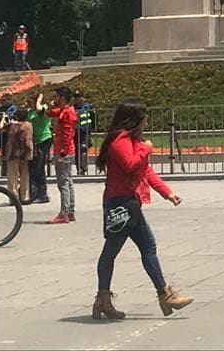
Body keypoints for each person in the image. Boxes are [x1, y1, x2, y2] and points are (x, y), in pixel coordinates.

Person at [93, 99, 192, 320]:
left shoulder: (131, 140)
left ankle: (103, 299)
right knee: (146, 246)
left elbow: (146, 171)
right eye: (144, 118)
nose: (147, 122)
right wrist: (146, 149)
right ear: (135, 119)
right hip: (123, 203)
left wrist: (167, 192)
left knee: (113, 251)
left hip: (126, 201)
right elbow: (130, 164)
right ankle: (164, 295)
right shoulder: (120, 141)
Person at [47, 86, 78, 223]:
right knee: (68, 181)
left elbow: (68, 133)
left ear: (62, 97)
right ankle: (70, 211)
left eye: (56, 96)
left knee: (63, 182)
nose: (54, 99)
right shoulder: (64, 110)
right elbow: (49, 113)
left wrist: (63, 151)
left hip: (63, 151)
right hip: (65, 150)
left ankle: (64, 213)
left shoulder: (67, 112)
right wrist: (50, 106)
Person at [3, 106, 34, 204]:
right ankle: (25, 197)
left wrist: (3, 118)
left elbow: (1, 127)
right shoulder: (29, 125)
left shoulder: (13, 126)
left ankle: (13, 197)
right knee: (25, 176)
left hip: (13, 153)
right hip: (25, 152)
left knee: (13, 177)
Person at [27, 93, 53, 204]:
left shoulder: (44, 108)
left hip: (44, 139)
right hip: (34, 141)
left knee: (39, 167)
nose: (29, 103)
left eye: (31, 101)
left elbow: (39, 109)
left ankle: (42, 194)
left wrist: (39, 99)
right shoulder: (30, 111)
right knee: (32, 168)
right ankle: (33, 193)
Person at [74, 93, 96, 177]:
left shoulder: (88, 107)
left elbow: (94, 118)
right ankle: (79, 169)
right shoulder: (72, 107)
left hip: (85, 132)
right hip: (76, 132)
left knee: (83, 149)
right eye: (76, 98)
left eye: (79, 97)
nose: (78, 99)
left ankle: (83, 169)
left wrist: (92, 128)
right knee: (77, 150)